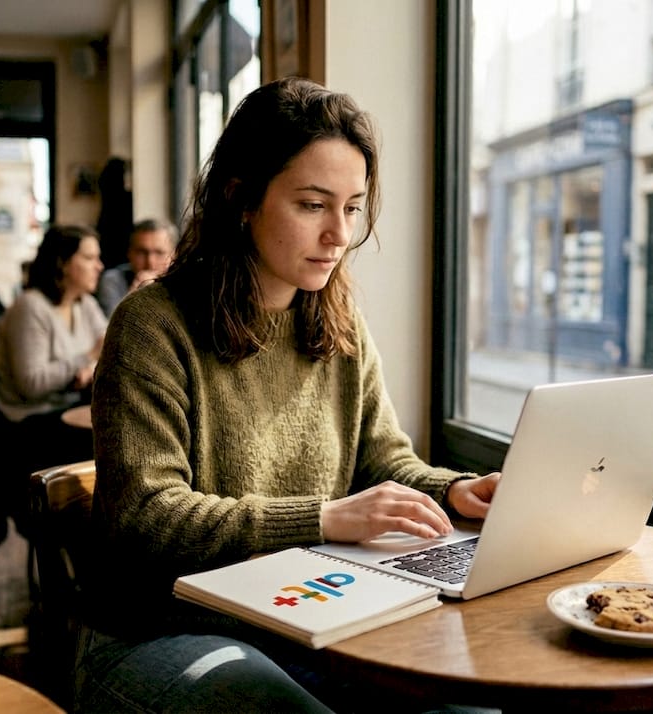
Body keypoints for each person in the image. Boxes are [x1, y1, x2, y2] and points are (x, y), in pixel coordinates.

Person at [75, 77, 501, 713]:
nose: (339, 234)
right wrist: (324, 518)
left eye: (352, 207)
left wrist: (454, 490)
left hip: (302, 623)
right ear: (241, 198)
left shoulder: (338, 320)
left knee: (470, 705)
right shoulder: (152, 325)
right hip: (156, 633)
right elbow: (146, 517)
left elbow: (385, 462)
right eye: (312, 205)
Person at [0, 224, 108, 475]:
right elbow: (31, 383)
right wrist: (87, 358)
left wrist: (90, 367)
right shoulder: (30, 307)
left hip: (67, 409)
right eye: (89, 258)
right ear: (62, 264)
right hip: (29, 422)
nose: (99, 266)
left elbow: (108, 348)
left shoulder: (84, 304)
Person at [95, 216, 177, 316]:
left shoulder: (183, 283)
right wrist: (136, 292)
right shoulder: (113, 280)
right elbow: (113, 323)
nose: (150, 262)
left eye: (159, 253)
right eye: (141, 252)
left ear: (174, 255)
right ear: (129, 253)